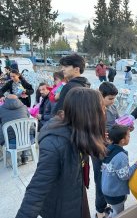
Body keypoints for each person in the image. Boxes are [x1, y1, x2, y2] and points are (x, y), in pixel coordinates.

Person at [16, 88, 107, 218]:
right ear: (88, 113)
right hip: (62, 206)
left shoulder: (79, 128)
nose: (105, 111)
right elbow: (37, 189)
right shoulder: (54, 144)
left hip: (76, 192)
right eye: (102, 108)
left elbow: (89, 145)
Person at [92, 82, 119, 218]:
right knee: (100, 179)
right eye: (110, 98)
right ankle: (99, 211)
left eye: (114, 98)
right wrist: (100, 135)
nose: (112, 101)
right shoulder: (92, 110)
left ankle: (106, 205)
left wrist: (125, 127)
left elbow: (118, 122)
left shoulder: (113, 108)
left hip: (111, 148)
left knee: (109, 178)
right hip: (98, 149)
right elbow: (88, 131)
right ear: (100, 95)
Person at [102, 125, 137, 217]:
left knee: (114, 209)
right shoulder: (121, 156)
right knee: (119, 213)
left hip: (107, 189)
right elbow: (124, 175)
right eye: (128, 136)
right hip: (116, 193)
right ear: (122, 140)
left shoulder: (107, 149)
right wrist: (135, 165)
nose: (129, 137)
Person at [0, 94, 32, 164]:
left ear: (6, 100)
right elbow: (28, 116)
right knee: (25, 128)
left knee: (2, 126)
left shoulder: (1, 109)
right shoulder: (24, 107)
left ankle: (14, 157)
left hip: (11, 142)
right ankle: (25, 156)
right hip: (27, 139)